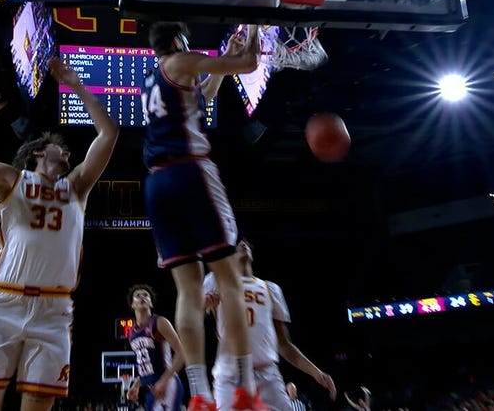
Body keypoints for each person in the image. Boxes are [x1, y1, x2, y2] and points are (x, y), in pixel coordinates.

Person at [0, 57, 119, 411]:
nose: (68, 152)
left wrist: (78, 86)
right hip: (6, 301)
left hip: (55, 309)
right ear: (39, 152)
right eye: (60, 148)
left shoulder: (77, 186)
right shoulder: (10, 179)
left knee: (38, 405)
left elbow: (109, 133)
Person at [141, 21, 264, 411]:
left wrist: (225, 63)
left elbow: (208, 89)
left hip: (157, 185)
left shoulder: (152, 79)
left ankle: (199, 396)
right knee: (229, 281)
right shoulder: (180, 60)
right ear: (178, 41)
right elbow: (246, 64)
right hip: (190, 171)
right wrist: (256, 31)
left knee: (189, 291)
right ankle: (245, 390)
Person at [203, 238, 337, 411]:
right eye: (237, 245)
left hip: (267, 374)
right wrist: (204, 303)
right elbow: (192, 315)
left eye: (246, 244)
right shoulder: (216, 280)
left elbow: (284, 344)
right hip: (230, 375)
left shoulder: (270, 289)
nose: (243, 243)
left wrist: (316, 372)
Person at [124, 284, 185, 411]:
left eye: (146, 295)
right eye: (137, 295)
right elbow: (146, 367)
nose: (142, 297)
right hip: (151, 388)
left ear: (151, 303)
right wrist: (136, 385)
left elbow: (182, 353)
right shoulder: (131, 333)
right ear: (132, 305)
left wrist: (164, 380)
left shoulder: (159, 322)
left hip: (168, 383)